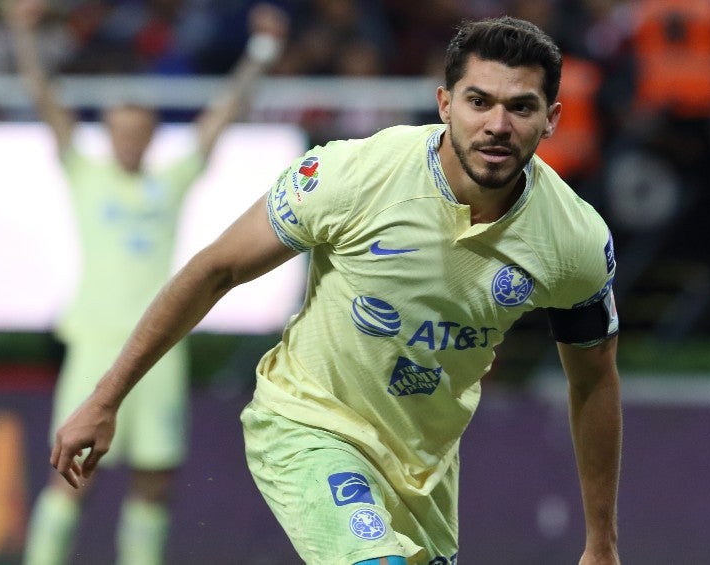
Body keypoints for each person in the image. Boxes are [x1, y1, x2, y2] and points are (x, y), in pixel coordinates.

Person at [52, 16, 621, 565]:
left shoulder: (573, 241)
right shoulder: (354, 176)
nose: (498, 125)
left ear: (551, 118)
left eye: (521, 107)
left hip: (423, 471)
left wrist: (601, 544)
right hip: (308, 426)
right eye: (479, 102)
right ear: (445, 104)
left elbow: (594, 378)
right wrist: (106, 399)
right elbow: (214, 270)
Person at [5, 1, 290, 564]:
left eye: (138, 131)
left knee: (155, 476)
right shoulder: (87, 175)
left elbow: (223, 115)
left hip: (159, 345)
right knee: (71, 474)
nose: (127, 141)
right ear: (106, 133)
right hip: (95, 341)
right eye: (118, 131)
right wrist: (22, 33)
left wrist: (261, 53)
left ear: (152, 134)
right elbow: (44, 98)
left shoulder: (170, 181)